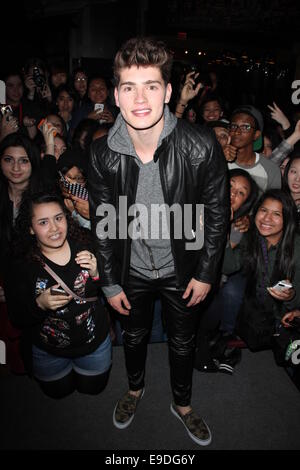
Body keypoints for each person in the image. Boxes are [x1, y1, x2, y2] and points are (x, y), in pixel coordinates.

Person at [88, 37, 229, 446]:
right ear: (116, 95)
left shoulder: (200, 145)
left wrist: (205, 274)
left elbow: (218, 215)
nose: (140, 98)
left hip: (181, 269)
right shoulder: (101, 154)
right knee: (133, 337)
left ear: (168, 91)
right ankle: (134, 390)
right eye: (129, 87)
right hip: (130, 268)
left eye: (151, 85)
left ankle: (182, 404)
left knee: (183, 341)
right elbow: (102, 222)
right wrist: (110, 281)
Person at [5, 192, 111, 399]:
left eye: (58, 218)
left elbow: (110, 289)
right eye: (43, 222)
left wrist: (98, 274)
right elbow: (17, 318)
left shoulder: (86, 243)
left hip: (93, 345)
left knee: (93, 389)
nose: (54, 228)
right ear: (30, 228)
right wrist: (39, 305)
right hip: (48, 352)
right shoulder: (21, 264)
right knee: (59, 394)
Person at [222, 189, 300, 354]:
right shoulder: (251, 238)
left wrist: (291, 297)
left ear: (287, 219)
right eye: (263, 210)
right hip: (255, 314)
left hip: (285, 320)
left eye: (276, 214)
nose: (266, 219)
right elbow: (228, 266)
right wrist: (225, 229)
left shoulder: (296, 247)